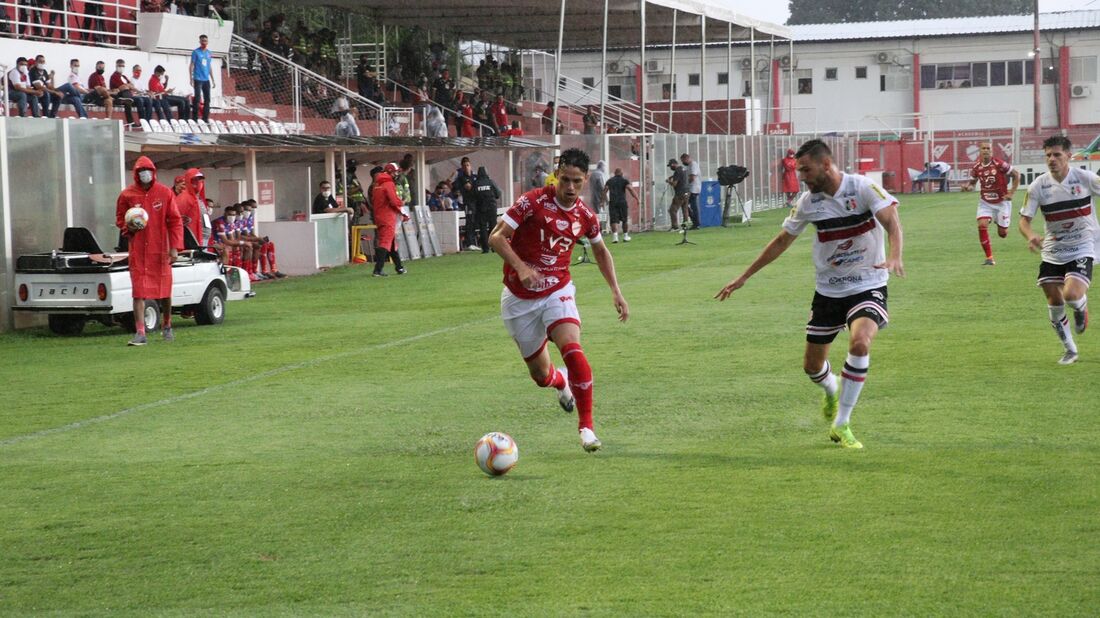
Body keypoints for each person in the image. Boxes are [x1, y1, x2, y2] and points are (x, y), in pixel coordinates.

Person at [715, 139, 905, 449]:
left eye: (805, 169)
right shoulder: (808, 202)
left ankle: (842, 424)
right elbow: (781, 241)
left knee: (860, 343)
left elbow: (892, 221)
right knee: (812, 367)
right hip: (828, 291)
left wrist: (895, 254)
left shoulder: (862, 188)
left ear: (826, 165)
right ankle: (831, 390)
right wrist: (744, 277)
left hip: (868, 284)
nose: (801, 175)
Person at [488, 148, 629, 452]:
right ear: (556, 173)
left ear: (585, 179)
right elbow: (496, 237)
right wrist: (521, 267)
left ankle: (587, 427)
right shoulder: (531, 202)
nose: (569, 188)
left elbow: (601, 251)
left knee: (573, 350)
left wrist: (616, 291)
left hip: (557, 291)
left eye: (576, 182)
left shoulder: (585, 216)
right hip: (518, 300)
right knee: (540, 376)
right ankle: (560, 383)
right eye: (564, 179)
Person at [1018, 135, 1100, 365]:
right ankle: (1070, 350)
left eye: (1057, 155)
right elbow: (1024, 220)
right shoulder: (1038, 186)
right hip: (1053, 250)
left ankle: (1080, 308)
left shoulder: (1085, 179)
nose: (1051, 159)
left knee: (1071, 295)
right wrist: (1031, 234)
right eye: (1048, 156)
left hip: (1082, 246)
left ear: (1068, 156)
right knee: (1054, 301)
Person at [116, 156, 183, 346]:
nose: (144, 174)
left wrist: (175, 248)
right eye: (140, 171)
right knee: (138, 292)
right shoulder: (127, 194)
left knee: (165, 290)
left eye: (147, 170)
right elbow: (120, 219)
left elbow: (175, 221)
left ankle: (167, 325)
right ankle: (140, 332)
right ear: (135, 174)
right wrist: (129, 229)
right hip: (138, 251)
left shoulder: (164, 193)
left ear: (153, 172)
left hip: (159, 250)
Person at [961, 142, 1020, 266]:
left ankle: (999, 221)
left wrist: (1011, 192)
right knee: (982, 225)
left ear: (991, 151)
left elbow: (1016, 174)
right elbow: (972, 183)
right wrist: (968, 187)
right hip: (985, 202)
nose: (986, 150)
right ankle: (989, 258)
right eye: (983, 148)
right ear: (980, 151)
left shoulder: (999, 164)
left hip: (1002, 202)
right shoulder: (976, 167)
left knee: (1002, 234)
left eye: (988, 148)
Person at [370, 163, 409, 277]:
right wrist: (402, 203)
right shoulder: (388, 184)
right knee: (385, 242)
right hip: (387, 217)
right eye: (396, 172)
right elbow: (394, 201)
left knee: (391, 243)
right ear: (391, 172)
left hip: (379, 216)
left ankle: (399, 267)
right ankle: (378, 270)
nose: (397, 174)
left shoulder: (377, 185)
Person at [604, 167, 638, 243]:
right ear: (622, 173)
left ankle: (615, 237)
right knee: (624, 219)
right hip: (622, 202)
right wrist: (637, 199)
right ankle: (626, 236)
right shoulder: (624, 181)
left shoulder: (610, 181)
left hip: (612, 202)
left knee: (613, 220)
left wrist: (602, 201)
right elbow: (631, 189)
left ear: (614, 173)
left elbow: (605, 190)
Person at [473, 166, 501, 253]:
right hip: (491, 207)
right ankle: (494, 247)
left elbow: (473, 196)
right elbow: (498, 194)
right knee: (493, 227)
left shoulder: (475, 184)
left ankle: (485, 248)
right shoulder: (491, 182)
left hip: (481, 208)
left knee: (483, 228)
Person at [174, 168, 205, 245]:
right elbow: (176, 223)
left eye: (200, 180)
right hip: (192, 242)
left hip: (201, 240)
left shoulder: (198, 199)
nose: (198, 183)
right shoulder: (183, 199)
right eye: (194, 180)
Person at [190, 34, 215, 123]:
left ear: (207, 42)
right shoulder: (196, 52)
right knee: (197, 98)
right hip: (198, 78)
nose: (204, 42)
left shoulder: (208, 53)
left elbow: (209, 66)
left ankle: (205, 117)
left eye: (205, 41)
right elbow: (192, 65)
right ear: (200, 41)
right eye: (202, 41)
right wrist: (191, 78)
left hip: (206, 79)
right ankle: (195, 117)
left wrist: (212, 79)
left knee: (207, 99)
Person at [666, 158, 690, 231]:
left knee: (672, 210)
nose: (670, 168)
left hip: (680, 193)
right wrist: (672, 177)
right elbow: (682, 178)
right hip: (687, 192)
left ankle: (675, 227)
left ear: (673, 164)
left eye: (670, 166)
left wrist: (668, 181)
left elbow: (674, 184)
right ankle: (685, 226)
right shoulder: (683, 169)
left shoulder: (677, 171)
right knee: (685, 209)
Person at [681, 152, 702, 229]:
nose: (683, 163)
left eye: (683, 161)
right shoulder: (690, 165)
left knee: (690, 205)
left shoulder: (693, 165)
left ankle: (696, 223)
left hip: (694, 188)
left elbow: (692, 177)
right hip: (692, 188)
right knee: (687, 205)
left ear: (687, 158)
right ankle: (695, 222)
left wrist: (685, 185)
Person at [589, 160, 608, 232]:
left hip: (593, 196)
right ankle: (599, 229)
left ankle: (598, 228)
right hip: (599, 197)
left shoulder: (593, 174)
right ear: (602, 166)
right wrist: (606, 198)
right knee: (600, 213)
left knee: (596, 213)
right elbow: (602, 187)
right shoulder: (600, 174)